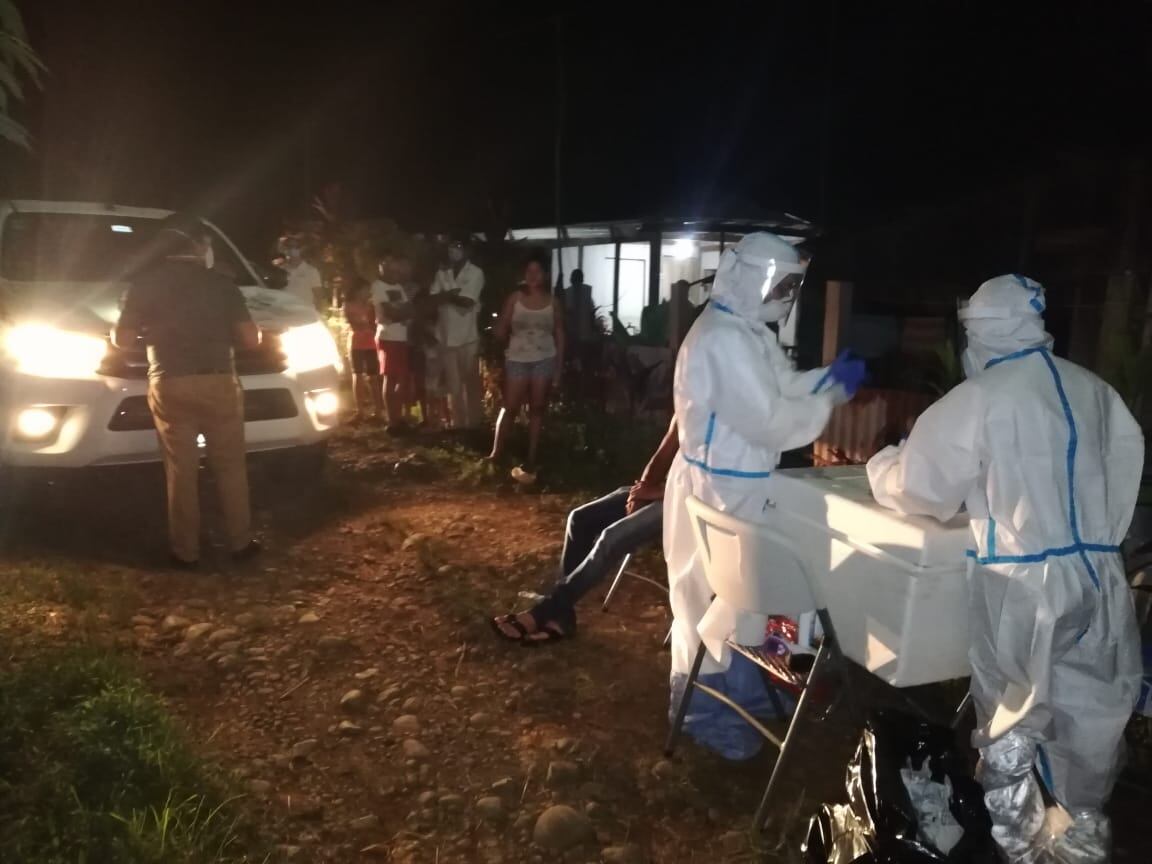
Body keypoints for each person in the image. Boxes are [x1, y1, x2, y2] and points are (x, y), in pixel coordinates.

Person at [866, 274, 1143, 864]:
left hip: (1022, 582)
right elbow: (1123, 469)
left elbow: (921, 487)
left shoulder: (982, 396)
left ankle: (1019, 845)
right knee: (1093, 713)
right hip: (1101, 574)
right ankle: (1083, 838)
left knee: (1011, 717)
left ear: (980, 330)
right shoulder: (1095, 389)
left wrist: (882, 466)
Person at [664, 231, 863, 759]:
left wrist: (825, 381)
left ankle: (751, 689)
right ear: (750, 278)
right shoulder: (723, 339)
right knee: (711, 602)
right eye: (780, 286)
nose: (787, 296)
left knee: (742, 601)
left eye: (792, 286)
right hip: (717, 487)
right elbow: (771, 420)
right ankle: (703, 710)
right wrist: (829, 397)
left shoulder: (745, 330)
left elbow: (780, 386)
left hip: (738, 483)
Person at [113, 214, 261, 568]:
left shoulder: (143, 285)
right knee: (230, 466)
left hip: (170, 383)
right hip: (219, 382)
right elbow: (250, 338)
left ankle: (185, 551)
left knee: (181, 470)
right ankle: (241, 543)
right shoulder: (222, 285)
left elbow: (123, 339)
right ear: (199, 245)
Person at [491, 417, 679, 644]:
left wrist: (661, 493)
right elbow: (667, 446)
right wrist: (643, 488)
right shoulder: (690, 398)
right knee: (579, 519)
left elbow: (713, 486)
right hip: (668, 489)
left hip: (692, 504)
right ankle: (562, 618)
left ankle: (542, 612)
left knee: (611, 539)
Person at [487, 255, 565, 481]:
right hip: (517, 357)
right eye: (529, 271)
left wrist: (558, 367)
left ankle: (532, 455)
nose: (532, 276)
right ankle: (496, 453)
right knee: (510, 406)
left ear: (544, 275)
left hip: (544, 357)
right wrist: (496, 329)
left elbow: (560, 334)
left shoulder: (552, 302)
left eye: (537, 271)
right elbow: (501, 328)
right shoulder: (515, 299)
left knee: (537, 408)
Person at [431, 236, 485, 429]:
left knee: (470, 382)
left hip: (467, 337)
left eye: (458, 246)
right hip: (446, 336)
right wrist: (450, 295)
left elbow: (467, 302)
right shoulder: (442, 272)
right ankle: (458, 425)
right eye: (451, 246)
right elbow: (433, 298)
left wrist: (446, 296)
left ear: (467, 250)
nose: (453, 250)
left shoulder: (476, 273)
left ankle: (475, 424)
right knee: (453, 385)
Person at [372, 253, 414, 430]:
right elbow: (389, 312)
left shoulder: (398, 287)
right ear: (381, 266)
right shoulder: (378, 286)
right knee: (390, 377)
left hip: (401, 336)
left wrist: (401, 313)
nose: (391, 267)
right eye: (386, 263)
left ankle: (398, 416)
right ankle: (392, 420)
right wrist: (401, 313)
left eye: (393, 262)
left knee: (401, 378)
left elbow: (408, 309)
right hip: (388, 337)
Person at [342, 276, 384, 422]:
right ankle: (360, 410)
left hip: (371, 343)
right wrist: (367, 325)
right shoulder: (349, 305)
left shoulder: (370, 306)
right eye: (366, 289)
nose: (368, 292)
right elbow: (354, 324)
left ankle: (378, 410)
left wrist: (368, 325)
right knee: (358, 375)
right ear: (358, 290)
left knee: (373, 376)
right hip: (356, 343)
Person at [276, 234, 324, 312]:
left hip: (304, 315)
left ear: (301, 249)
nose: (292, 250)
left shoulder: (311, 271)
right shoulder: (280, 270)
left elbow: (318, 296)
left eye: (296, 247)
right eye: (289, 247)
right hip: (284, 314)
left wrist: (318, 314)